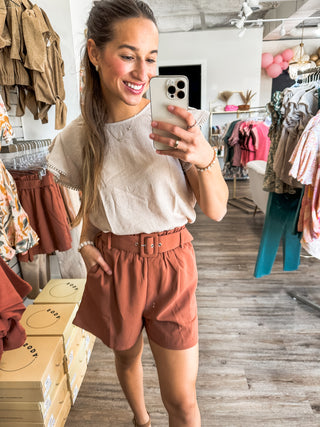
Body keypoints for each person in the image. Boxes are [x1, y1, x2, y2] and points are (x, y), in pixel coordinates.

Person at [47, 1, 228, 426]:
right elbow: (91, 208)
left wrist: (203, 157)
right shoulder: (76, 139)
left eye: (151, 59)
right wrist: (86, 243)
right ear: (94, 53)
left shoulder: (179, 122)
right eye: (127, 56)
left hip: (172, 264)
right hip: (116, 265)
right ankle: (141, 421)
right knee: (127, 357)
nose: (142, 73)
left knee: (183, 401)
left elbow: (217, 210)